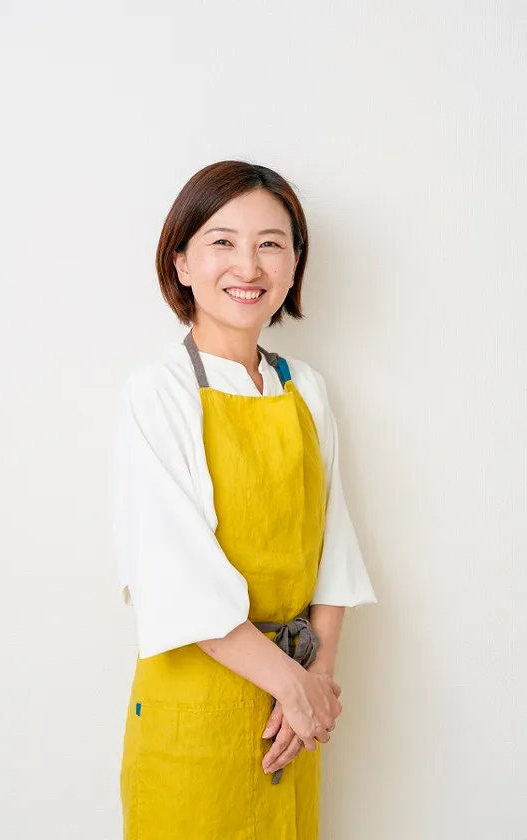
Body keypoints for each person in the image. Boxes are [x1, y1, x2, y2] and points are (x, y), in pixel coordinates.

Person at [110, 160, 377, 840]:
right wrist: (294, 685)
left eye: (271, 244)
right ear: (181, 262)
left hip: (294, 719)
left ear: (294, 264)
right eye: (222, 242)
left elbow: (334, 549)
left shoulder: (305, 388)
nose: (248, 266)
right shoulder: (158, 393)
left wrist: (317, 680)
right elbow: (174, 577)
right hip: (197, 706)